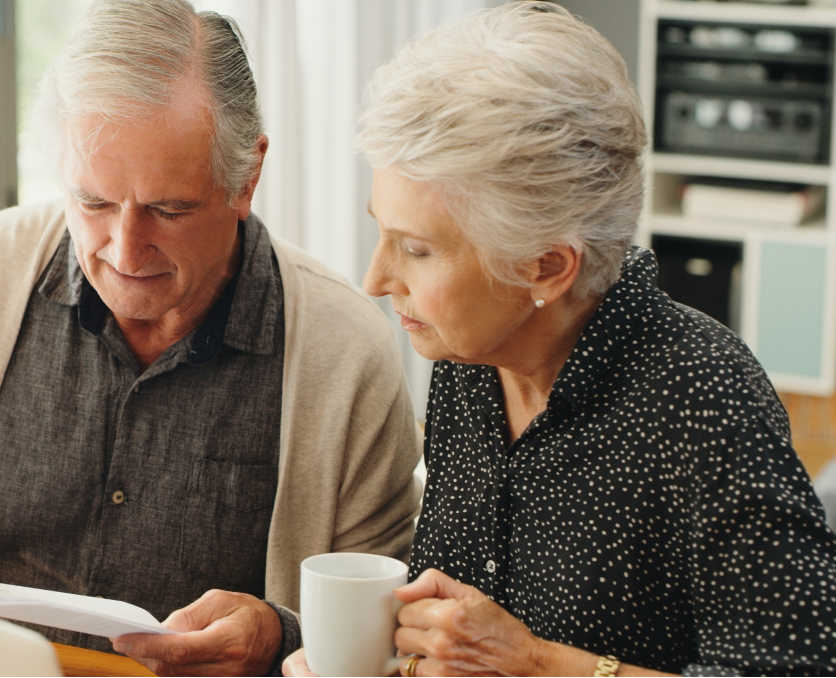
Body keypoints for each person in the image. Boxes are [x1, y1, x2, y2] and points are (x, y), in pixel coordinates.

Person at [0, 1, 422, 675]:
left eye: (169, 208)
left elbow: (389, 642)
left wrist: (280, 637)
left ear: (246, 178)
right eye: (93, 202)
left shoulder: (347, 353)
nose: (125, 251)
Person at [283, 2, 836, 676]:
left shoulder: (704, 395)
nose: (375, 278)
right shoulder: (471, 358)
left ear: (545, 267)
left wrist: (540, 663)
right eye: (382, 230)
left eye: (417, 251)